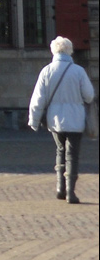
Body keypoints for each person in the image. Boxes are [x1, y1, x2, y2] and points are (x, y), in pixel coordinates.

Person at [28, 35, 94, 203]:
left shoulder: (47, 71)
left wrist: (34, 121)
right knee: (72, 155)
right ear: (69, 51)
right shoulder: (78, 71)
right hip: (76, 120)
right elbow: (89, 96)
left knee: (60, 151)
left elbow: (38, 99)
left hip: (55, 120)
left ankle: (60, 188)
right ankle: (71, 192)